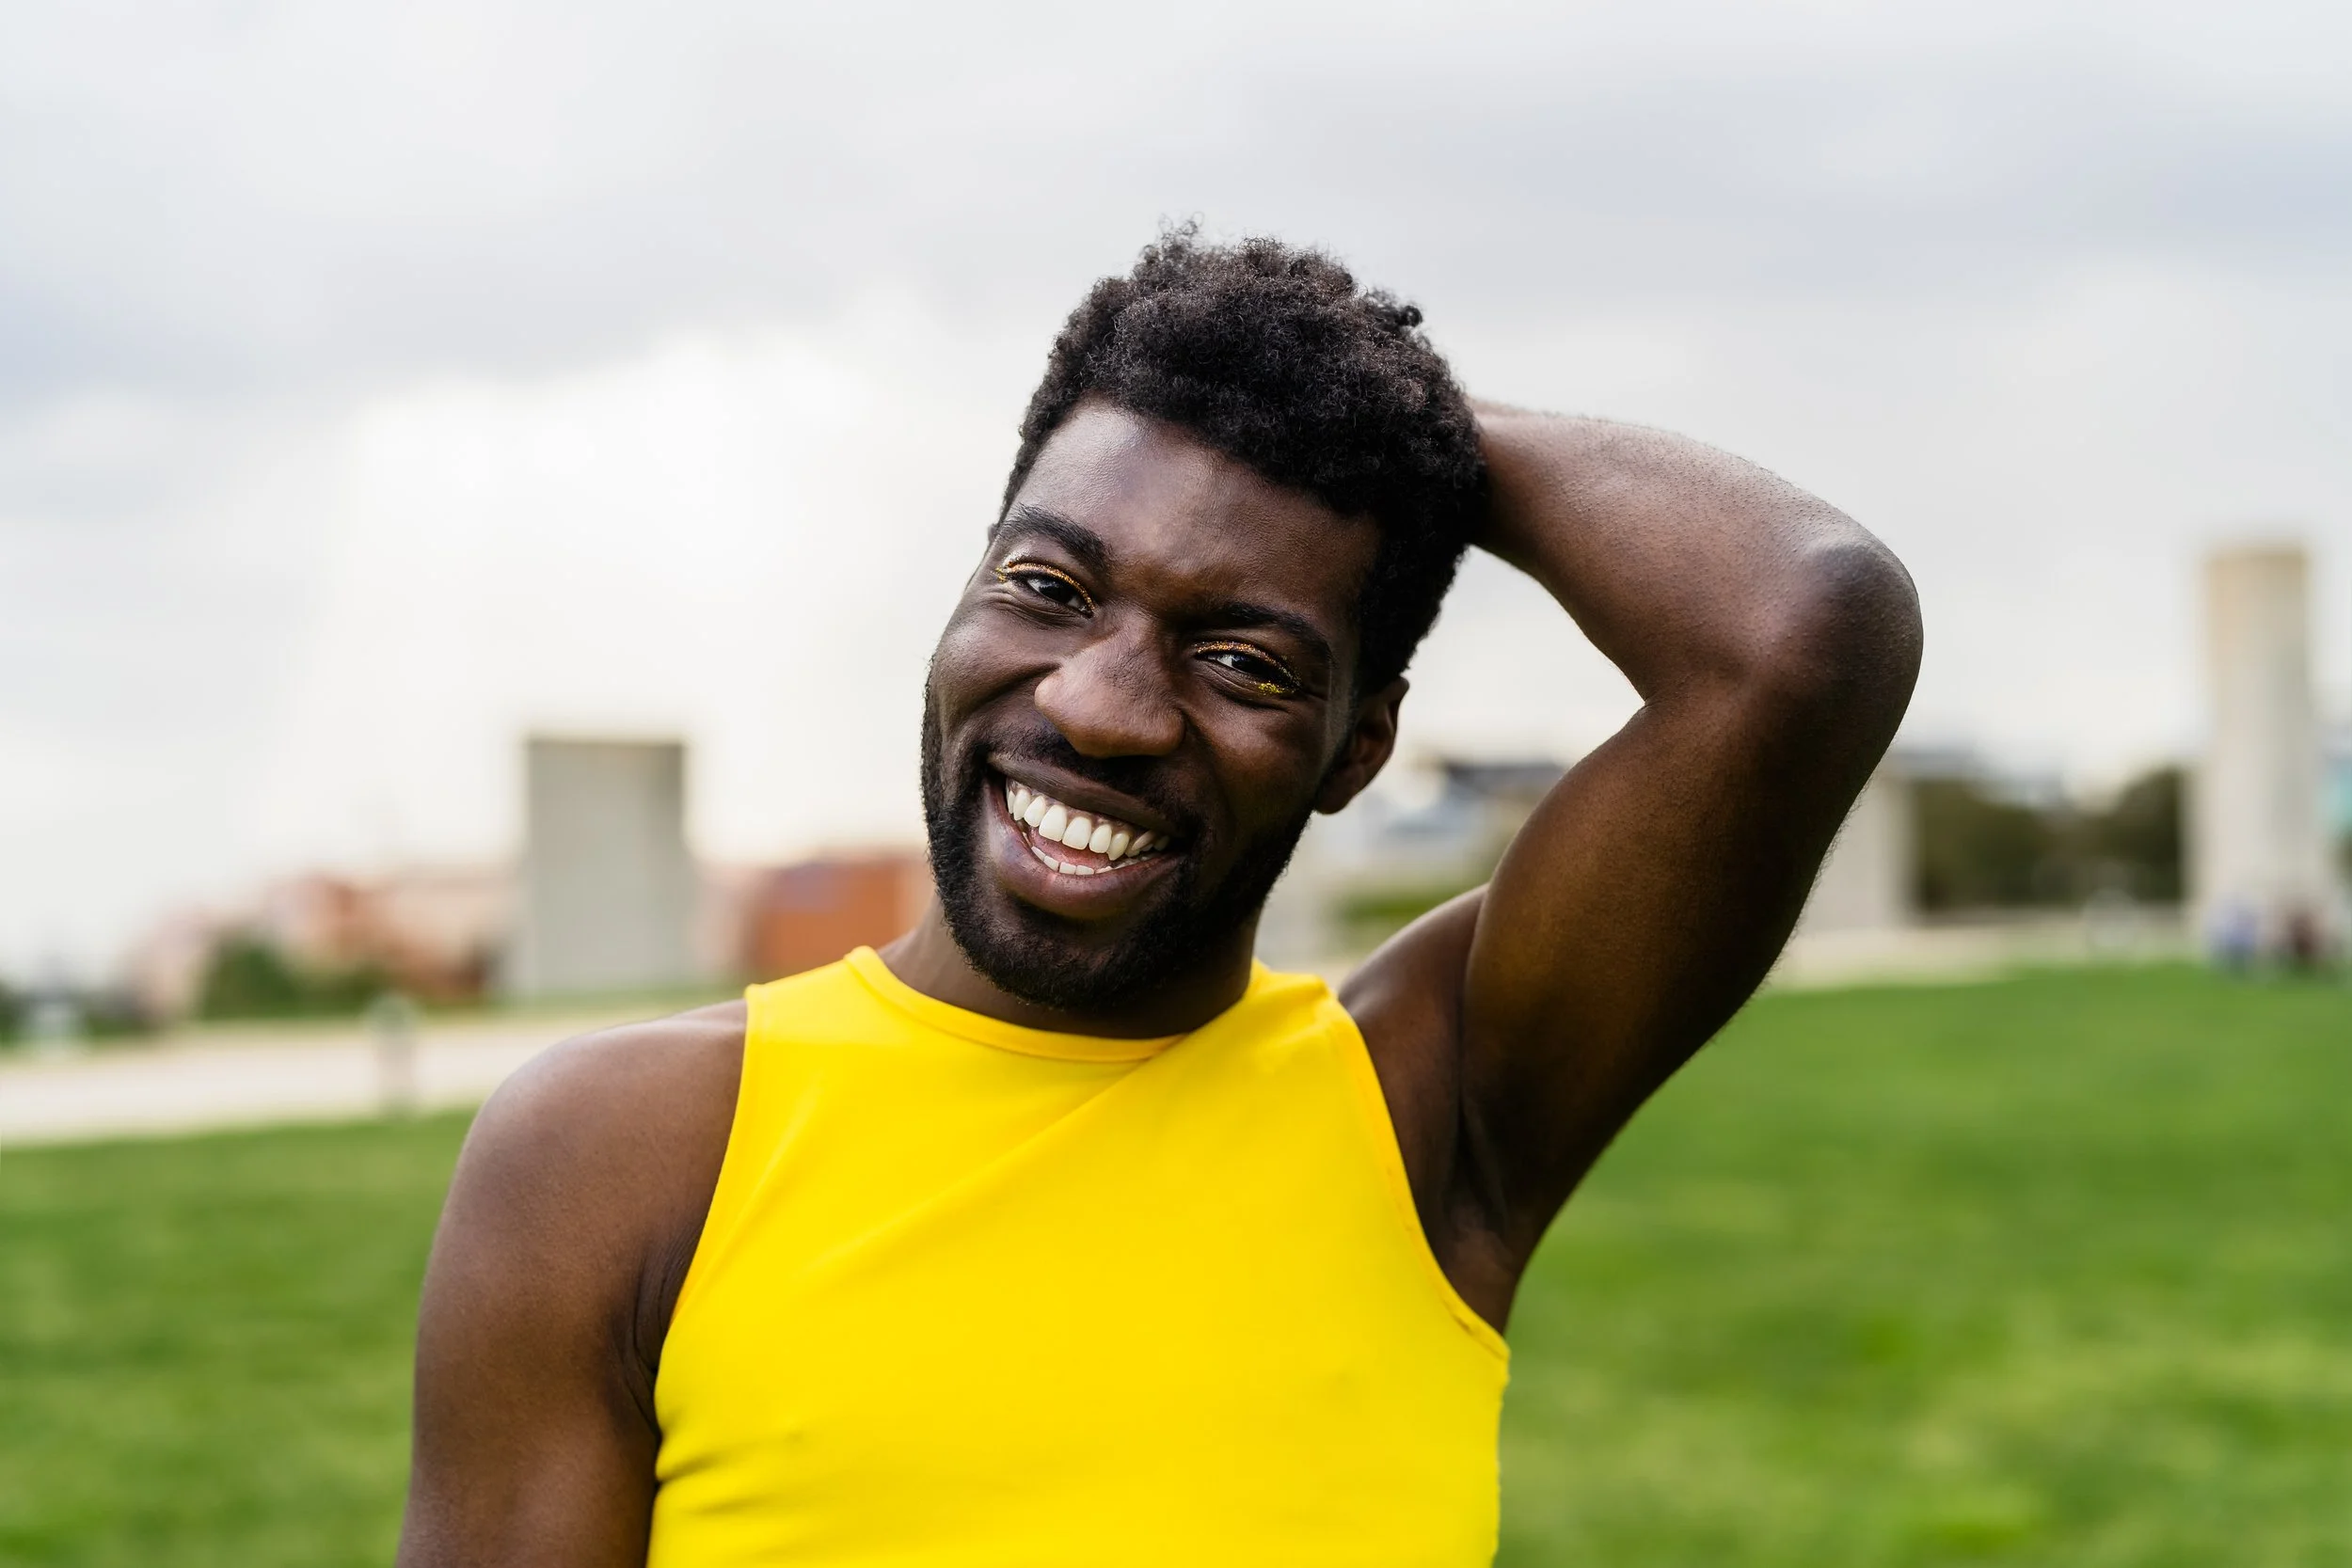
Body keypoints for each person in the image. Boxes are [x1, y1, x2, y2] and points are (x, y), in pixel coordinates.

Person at [397, 230, 1921, 1567]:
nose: (1105, 705)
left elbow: (1802, 627)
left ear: (1357, 749)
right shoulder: (617, 1156)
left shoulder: (1427, 1111)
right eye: (1049, 588)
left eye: (1244, 661)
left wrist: (1384, 422)